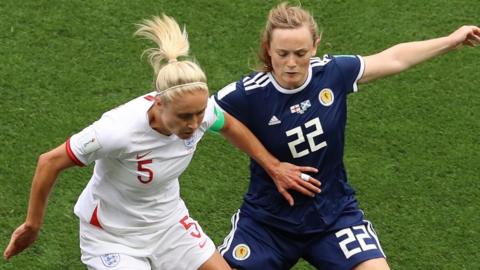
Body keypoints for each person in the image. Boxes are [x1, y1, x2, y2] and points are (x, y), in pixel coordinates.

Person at [3, 14, 321, 270]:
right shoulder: (117, 130)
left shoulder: (201, 112)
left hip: (169, 225)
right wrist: (33, 224)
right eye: (184, 117)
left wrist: (273, 165)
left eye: (198, 115)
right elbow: (51, 160)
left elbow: (229, 125)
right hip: (113, 237)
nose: (194, 125)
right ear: (158, 104)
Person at [214, 2, 479, 270]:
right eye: (282, 53)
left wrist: (450, 40)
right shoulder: (250, 92)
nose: (291, 63)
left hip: (333, 216)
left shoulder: (332, 73)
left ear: (315, 46)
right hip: (268, 224)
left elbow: (393, 58)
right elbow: (205, 115)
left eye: (300, 53)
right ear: (268, 48)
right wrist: (272, 166)